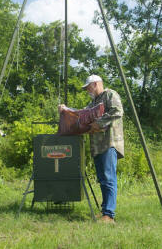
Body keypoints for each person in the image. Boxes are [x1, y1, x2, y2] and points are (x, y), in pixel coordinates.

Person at [59, 74, 124, 223]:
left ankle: (109, 215)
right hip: (97, 145)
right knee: (102, 179)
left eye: (88, 87)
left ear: (95, 84)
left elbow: (117, 112)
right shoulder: (93, 102)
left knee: (108, 178)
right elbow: (79, 114)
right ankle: (105, 212)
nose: (87, 90)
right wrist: (65, 110)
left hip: (108, 143)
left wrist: (98, 123)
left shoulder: (110, 94)